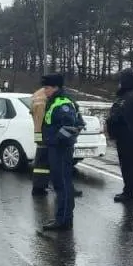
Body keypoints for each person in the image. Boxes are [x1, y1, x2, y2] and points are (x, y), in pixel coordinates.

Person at [40, 74, 85, 233]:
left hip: (60, 149)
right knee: (61, 184)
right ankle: (64, 218)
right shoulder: (55, 101)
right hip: (56, 148)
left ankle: (63, 220)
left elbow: (70, 128)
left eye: (47, 88)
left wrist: (56, 140)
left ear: (55, 87)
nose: (44, 91)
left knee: (62, 184)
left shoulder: (63, 104)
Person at [106, 67, 133, 203]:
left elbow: (123, 115)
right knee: (128, 164)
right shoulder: (129, 94)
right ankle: (129, 190)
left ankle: (130, 192)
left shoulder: (132, 96)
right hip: (127, 135)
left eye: (121, 80)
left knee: (129, 165)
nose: (119, 83)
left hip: (128, 135)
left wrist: (112, 119)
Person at [29, 80, 52, 196]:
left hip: (41, 134)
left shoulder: (37, 96)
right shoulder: (42, 100)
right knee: (41, 164)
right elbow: (40, 120)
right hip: (43, 135)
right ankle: (38, 188)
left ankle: (39, 187)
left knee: (41, 163)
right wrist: (40, 136)